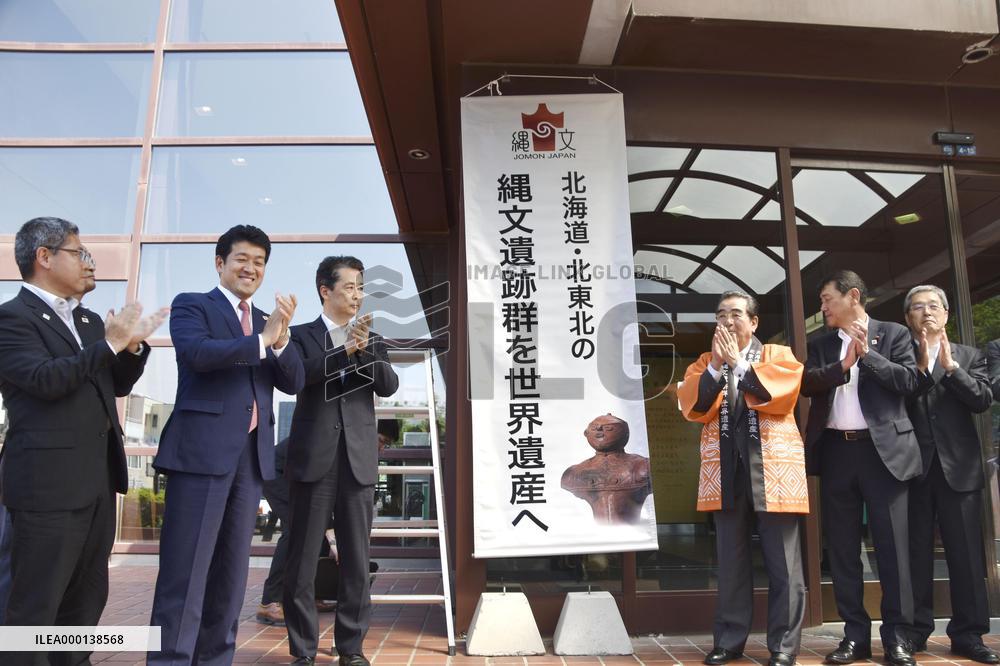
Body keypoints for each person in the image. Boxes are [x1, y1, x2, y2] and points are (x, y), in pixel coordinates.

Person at [0, 216, 165, 664]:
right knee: (33, 613)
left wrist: (130, 348)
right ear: (44, 257)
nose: (90, 264)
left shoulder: (90, 320)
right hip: (46, 490)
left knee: (84, 607)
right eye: (80, 253)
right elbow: (44, 380)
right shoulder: (10, 318)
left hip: (95, 485)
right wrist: (110, 346)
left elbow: (114, 384)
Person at [148, 225, 304, 665]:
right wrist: (260, 341)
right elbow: (198, 354)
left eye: (259, 262)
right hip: (200, 456)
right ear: (220, 263)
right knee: (185, 574)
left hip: (250, 463)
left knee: (232, 579)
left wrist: (282, 337)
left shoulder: (267, 324)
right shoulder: (193, 306)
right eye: (242, 259)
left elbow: (294, 380)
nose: (250, 268)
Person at [677, 290, 807, 666]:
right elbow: (693, 406)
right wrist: (719, 366)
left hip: (773, 473)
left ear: (753, 322)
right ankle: (729, 641)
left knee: (784, 563)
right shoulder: (704, 362)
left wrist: (738, 365)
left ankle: (783, 646)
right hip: (727, 472)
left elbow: (781, 396)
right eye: (721, 315)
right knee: (731, 562)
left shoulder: (777, 356)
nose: (728, 321)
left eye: (735, 314)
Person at [283, 256, 399, 666]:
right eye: (349, 286)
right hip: (314, 460)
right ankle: (302, 651)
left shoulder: (371, 336)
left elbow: (388, 383)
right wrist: (343, 347)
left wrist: (363, 349)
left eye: (360, 287)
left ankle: (351, 648)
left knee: (355, 560)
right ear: (325, 290)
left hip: (357, 462)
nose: (357, 294)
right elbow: (299, 377)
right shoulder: (300, 336)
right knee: (301, 563)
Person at [801, 270, 919, 666]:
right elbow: (807, 383)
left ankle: (897, 637)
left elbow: (908, 381)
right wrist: (843, 366)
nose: (823, 307)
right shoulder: (820, 344)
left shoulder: (895, 334)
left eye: (826, 299)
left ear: (853, 296)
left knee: (893, 550)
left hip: (883, 453)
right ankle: (854, 637)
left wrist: (868, 357)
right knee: (842, 550)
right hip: (836, 452)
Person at [901, 286, 998, 663]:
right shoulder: (900, 355)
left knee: (968, 557)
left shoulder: (970, 356)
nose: (926, 313)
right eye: (918, 307)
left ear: (946, 313)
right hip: (912, 469)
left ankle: (969, 634)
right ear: (908, 317)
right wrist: (923, 367)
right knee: (915, 555)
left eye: (933, 306)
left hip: (960, 468)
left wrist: (952, 369)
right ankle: (914, 631)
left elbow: (981, 400)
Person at [559, 414, 651, 524]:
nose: (599, 429)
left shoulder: (643, 467)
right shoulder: (573, 473)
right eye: (594, 428)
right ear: (586, 433)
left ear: (625, 434)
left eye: (608, 428)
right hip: (600, 537)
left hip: (634, 535)